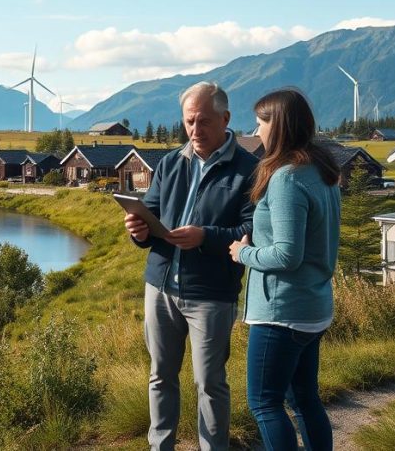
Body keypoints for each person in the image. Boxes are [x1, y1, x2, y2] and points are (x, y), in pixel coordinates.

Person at [125, 82, 258, 451]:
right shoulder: (170, 163)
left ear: (226, 119)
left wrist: (206, 236)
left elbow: (252, 231)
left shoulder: (250, 170)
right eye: (189, 122)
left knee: (210, 383)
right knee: (160, 376)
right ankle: (160, 446)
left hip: (212, 294)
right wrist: (139, 230)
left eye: (204, 122)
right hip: (160, 286)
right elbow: (152, 218)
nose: (195, 131)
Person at [228, 88, 340, 451]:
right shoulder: (322, 171)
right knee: (305, 399)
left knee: (264, 403)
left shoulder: (287, 178)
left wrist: (243, 254)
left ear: (279, 126)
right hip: (312, 308)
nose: (256, 129)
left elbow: (287, 254)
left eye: (261, 122)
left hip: (282, 313)